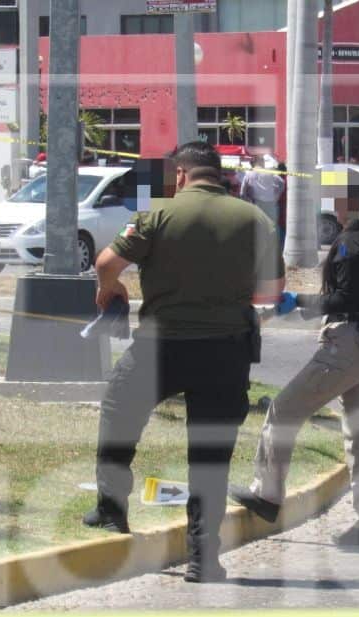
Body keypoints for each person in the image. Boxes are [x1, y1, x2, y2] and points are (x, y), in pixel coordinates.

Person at [83, 140, 285, 583]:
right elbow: (271, 291)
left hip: (160, 347)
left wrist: (112, 291)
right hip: (226, 351)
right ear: (220, 174)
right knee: (210, 457)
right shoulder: (255, 220)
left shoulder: (159, 211)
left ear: (179, 175)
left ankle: (112, 509)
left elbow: (105, 264)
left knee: (118, 415)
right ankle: (203, 559)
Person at [232, 169, 359, 548]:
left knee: (283, 411)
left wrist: (299, 301)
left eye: (342, 195)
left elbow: (344, 299)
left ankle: (267, 496)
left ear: (355, 203)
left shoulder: (352, 243)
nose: (335, 201)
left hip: (347, 345)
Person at [238, 154, 285, 230]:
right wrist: (276, 196)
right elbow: (282, 182)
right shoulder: (269, 173)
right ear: (260, 162)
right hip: (270, 205)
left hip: (256, 205)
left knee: (257, 230)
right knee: (271, 230)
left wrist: (249, 201)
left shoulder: (248, 175)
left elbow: (242, 193)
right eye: (263, 161)